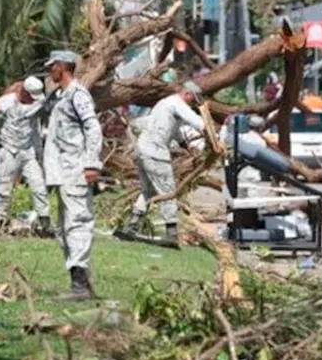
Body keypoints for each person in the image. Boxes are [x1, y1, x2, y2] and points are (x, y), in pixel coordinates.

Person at [42, 50, 102, 301]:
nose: (49, 72)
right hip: (62, 171)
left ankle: (79, 287)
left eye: (52, 67)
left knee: (77, 223)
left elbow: (93, 126)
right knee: (64, 229)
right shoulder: (60, 97)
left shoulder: (79, 95)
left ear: (62, 67)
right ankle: (80, 281)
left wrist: (91, 164)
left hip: (76, 169)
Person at [116, 82, 206, 247]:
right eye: (193, 100)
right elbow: (193, 119)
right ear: (187, 94)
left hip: (143, 149)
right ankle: (171, 233)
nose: (192, 104)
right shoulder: (177, 104)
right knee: (169, 192)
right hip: (155, 153)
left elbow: (175, 131)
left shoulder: (165, 103)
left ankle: (132, 225)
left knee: (148, 191)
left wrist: (186, 146)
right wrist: (206, 128)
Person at [0, 76, 51, 235]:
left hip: (28, 151)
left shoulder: (37, 103)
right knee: (4, 190)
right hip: (9, 150)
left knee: (39, 187)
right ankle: (0, 224)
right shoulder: (6, 102)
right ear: (23, 92)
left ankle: (45, 224)